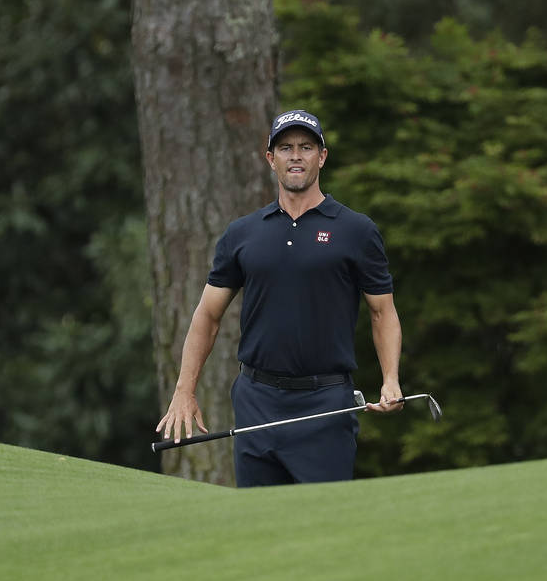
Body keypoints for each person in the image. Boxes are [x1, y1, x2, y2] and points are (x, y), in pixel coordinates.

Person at [155, 109, 403, 487]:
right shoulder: (242, 234)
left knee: (323, 527)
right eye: (285, 148)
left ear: (322, 156)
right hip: (257, 401)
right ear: (271, 159)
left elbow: (382, 312)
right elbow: (207, 315)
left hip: (326, 403)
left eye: (306, 147)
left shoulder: (356, 231)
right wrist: (184, 390)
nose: (296, 156)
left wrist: (390, 379)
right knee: (259, 528)